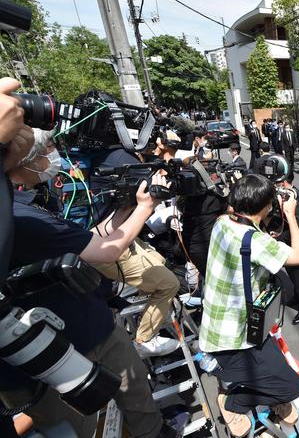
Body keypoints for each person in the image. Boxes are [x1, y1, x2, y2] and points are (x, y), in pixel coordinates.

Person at [3, 133, 178, 438]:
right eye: (48, 148)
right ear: (23, 158)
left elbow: (93, 236)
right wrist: (145, 207)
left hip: (94, 326)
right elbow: (107, 251)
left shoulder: (26, 203)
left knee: (137, 396)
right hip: (49, 358)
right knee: (85, 429)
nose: (55, 155)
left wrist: (126, 207)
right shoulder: (20, 217)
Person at [199, 174, 299, 437]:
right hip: (231, 340)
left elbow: (246, 224)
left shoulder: (222, 223)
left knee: (279, 373)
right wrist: (290, 214)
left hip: (228, 324)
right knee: (292, 387)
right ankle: (233, 403)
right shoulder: (256, 242)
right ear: (266, 206)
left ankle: (269, 395)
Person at [271, 170, 299, 324]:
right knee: (294, 275)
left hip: (296, 246)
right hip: (288, 245)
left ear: (284, 183)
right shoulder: (288, 195)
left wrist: (279, 236)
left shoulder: (295, 199)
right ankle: (297, 297)